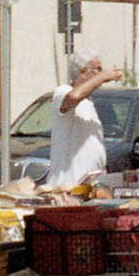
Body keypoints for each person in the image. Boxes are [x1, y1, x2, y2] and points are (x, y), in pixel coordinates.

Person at [47, 52, 122, 189]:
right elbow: (73, 96)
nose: (101, 73)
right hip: (68, 185)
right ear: (82, 71)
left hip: (88, 185)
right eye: (97, 69)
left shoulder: (88, 102)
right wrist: (103, 77)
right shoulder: (63, 91)